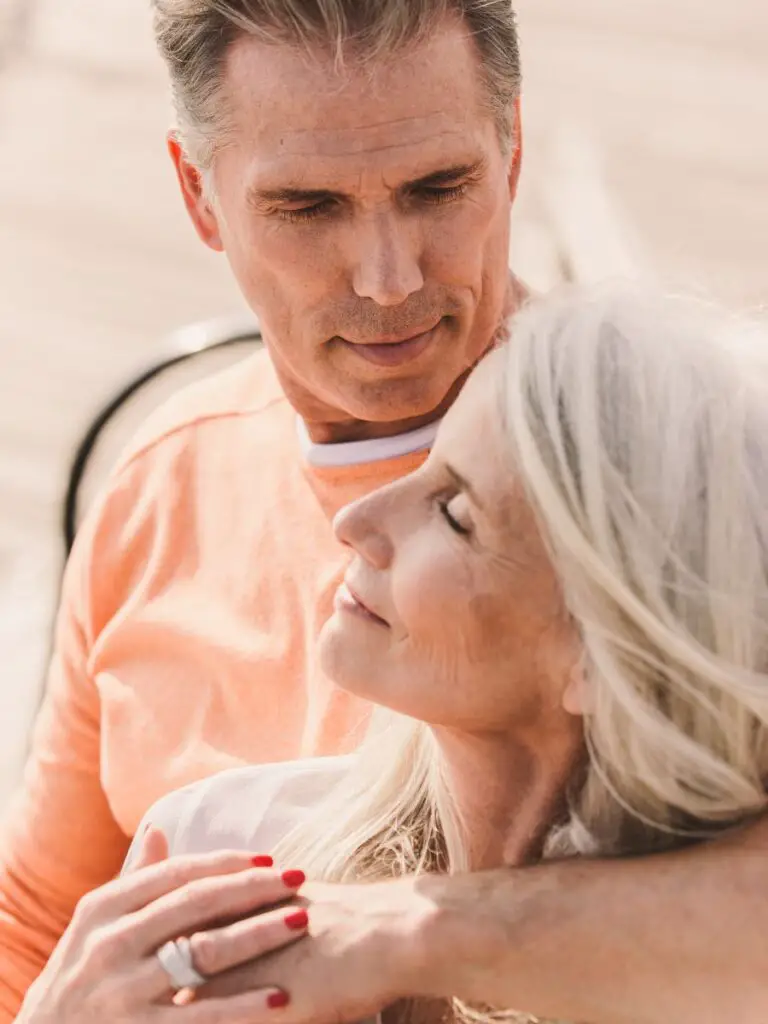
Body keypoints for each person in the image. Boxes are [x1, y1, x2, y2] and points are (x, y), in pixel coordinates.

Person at [2, 4, 767, 1024]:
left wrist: (392, 931)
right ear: (199, 194)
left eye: (438, 188)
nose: (389, 276)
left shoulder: (686, 482)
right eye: (308, 205)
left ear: (512, 150)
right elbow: (39, 916)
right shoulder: (155, 485)